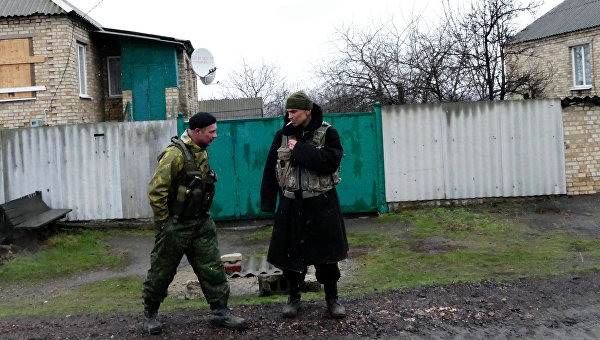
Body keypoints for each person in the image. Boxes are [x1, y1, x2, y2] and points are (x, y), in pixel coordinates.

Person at [142, 112, 247, 334]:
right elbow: (156, 192)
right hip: (176, 225)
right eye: (212, 132)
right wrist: (165, 224)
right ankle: (150, 314)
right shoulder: (174, 155)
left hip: (201, 223)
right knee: (162, 271)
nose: (216, 136)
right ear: (197, 131)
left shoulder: (200, 152)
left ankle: (220, 312)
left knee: (212, 268)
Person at [260, 91, 349, 319]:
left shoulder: (328, 133)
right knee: (290, 257)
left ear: (307, 111)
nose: (290, 116)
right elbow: (271, 168)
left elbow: (329, 163)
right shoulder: (282, 135)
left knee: (327, 258)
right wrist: (269, 203)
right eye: (288, 112)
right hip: (291, 204)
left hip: (321, 204)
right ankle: (294, 297)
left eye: (295, 112)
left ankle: (332, 298)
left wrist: (299, 148)